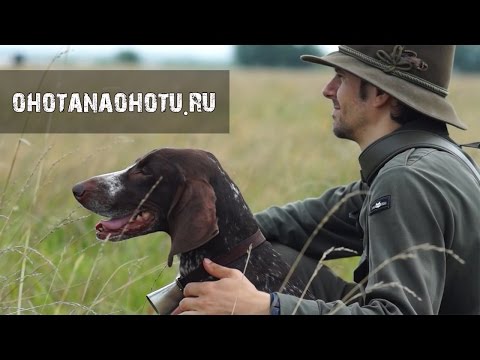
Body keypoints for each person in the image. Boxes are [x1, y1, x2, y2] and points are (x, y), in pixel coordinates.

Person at [173, 45, 480, 315]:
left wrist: (266, 307)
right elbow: (302, 222)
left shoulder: (405, 179)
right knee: (269, 252)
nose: (328, 89)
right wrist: (211, 234)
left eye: (341, 77)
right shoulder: (432, 162)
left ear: (380, 92)